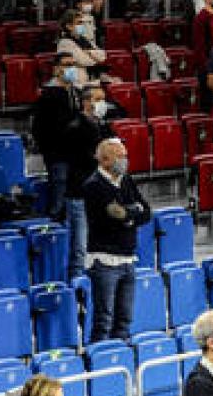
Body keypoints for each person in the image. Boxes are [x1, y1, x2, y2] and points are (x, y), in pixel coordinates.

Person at [83, 138, 149, 342]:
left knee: (124, 320)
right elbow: (110, 219)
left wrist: (128, 216)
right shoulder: (93, 185)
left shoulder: (127, 180)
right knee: (104, 321)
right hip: (104, 261)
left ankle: (120, 356)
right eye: (120, 157)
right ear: (104, 160)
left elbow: (146, 212)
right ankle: (100, 359)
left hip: (128, 258)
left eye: (125, 156)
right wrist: (133, 211)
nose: (125, 161)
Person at [63, 86, 108, 278]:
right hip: (79, 194)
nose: (103, 103)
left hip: (97, 194)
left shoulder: (101, 126)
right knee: (80, 245)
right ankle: (77, 283)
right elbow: (85, 160)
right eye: (98, 99)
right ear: (87, 102)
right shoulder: (76, 128)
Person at [32, 52, 82, 218]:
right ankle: (54, 226)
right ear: (56, 69)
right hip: (57, 154)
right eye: (67, 65)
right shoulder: (48, 95)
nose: (72, 68)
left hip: (75, 154)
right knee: (59, 197)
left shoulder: (76, 92)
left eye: (73, 64)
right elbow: (39, 128)